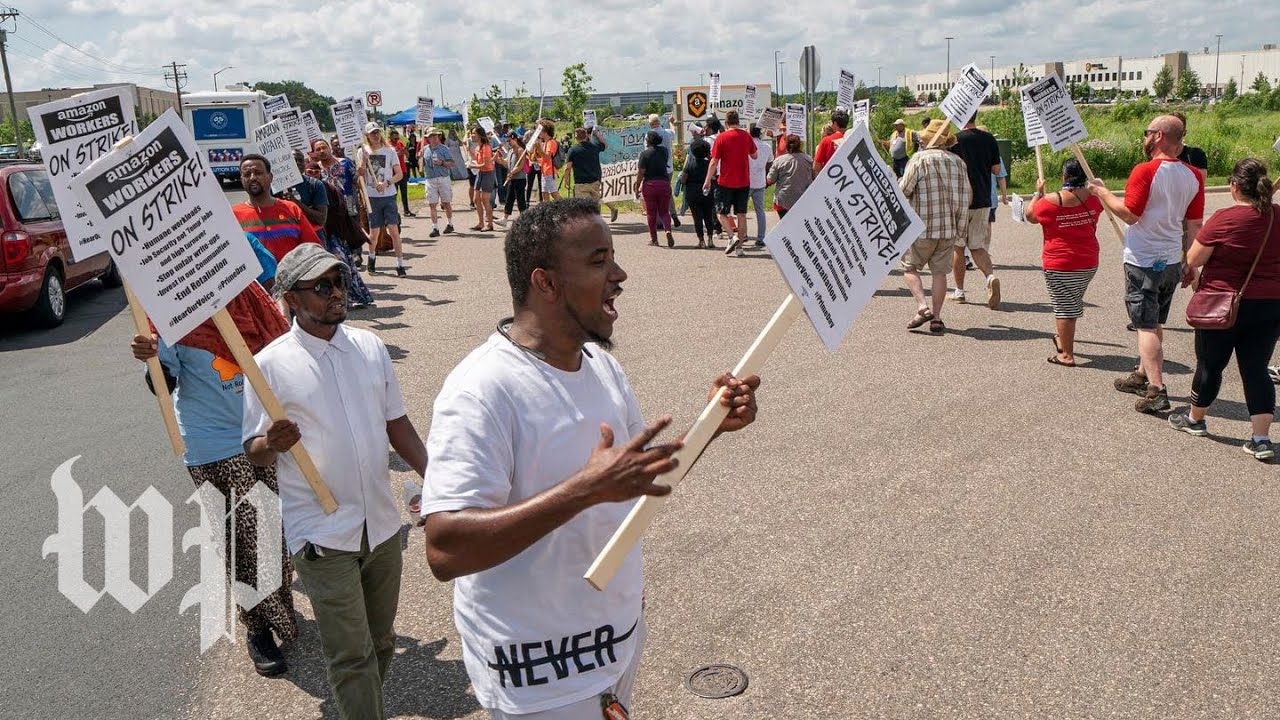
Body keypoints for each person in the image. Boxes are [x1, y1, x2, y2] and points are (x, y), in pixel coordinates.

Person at [420, 198, 761, 720]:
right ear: (547, 283)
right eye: (599, 261)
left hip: (616, 640)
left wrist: (711, 425)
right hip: (537, 673)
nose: (620, 274)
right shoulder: (481, 390)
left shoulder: (600, 364)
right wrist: (584, 490)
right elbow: (445, 550)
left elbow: (633, 476)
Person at [243, 245, 428, 719]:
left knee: (381, 640)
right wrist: (274, 443)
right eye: (321, 286)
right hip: (322, 531)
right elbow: (254, 452)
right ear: (289, 298)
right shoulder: (268, 366)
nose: (336, 294)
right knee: (351, 654)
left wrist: (439, 476)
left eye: (339, 281)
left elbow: (397, 424)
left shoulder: (369, 347)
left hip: (382, 525)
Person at [130, 248, 296, 678]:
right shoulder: (169, 311)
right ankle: (257, 629)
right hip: (212, 444)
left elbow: (284, 352)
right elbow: (163, 384)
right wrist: (150, 355)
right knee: (240, 540)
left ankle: (280, 611)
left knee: (275, 533)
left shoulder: (250, 300)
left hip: (263, 434)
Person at [1087, 115, 1206, 413]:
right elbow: (1194, 225)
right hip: (1169, 260)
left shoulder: (1146, 171)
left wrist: (1101, 192)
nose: (1144, 138)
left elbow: (1130, 214)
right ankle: (1142, 373)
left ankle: (1156, 388)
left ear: (1159, 137)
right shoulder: (1193, 176)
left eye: (1147, 133)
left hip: (1142, 259)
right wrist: (1191, 264)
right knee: (1155, 321)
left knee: (1145, 325)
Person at [1169, 158, 1280, 460]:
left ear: (1233, 185)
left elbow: (1194, 258)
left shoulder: (1225, 218)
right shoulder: (1277, 216)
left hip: (1222, 302)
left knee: (1210, 364)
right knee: (1256, 369)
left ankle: (1195, 418)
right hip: (1270, 303)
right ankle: (1260, 438)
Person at [1024, 158, 1102, 366]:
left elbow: (1030, 216)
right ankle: (1061, 338)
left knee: (1064, 308)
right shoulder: (1095, 198)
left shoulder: (1050, 201)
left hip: (1060, 262)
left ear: (1064, 176)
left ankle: (1066, 354)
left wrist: (1037, 193)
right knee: (1071, 301)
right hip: (1088, 261)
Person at [898, 119, 970, 335]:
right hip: (948, 227)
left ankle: (922, 306)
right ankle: (937, 318)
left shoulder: (919, 160)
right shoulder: (958, 162)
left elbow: (904, 191)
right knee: (940, 273)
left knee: (909, 267)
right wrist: (961, 231)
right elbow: (966, 196)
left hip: (921, 226)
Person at [947, 115, 1004, 309]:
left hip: (961, 200)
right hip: (983, 198)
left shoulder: (954, 140)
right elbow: (997, 169)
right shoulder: (989, 138)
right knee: (978, 247)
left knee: (958, 247)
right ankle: (990, 277)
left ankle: (960, 291)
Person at [304, 158, 375, 309]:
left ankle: (348, 299)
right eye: (309, 172)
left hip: (332, 235)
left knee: (341, 266)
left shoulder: (328, 188)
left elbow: (338, 211)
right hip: (314, 236)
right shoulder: (303, 189)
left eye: (316, 172)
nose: (313, 175)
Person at [233, 154, 322, 262]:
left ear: (270, 177)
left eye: (258, 173)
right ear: (241, 179)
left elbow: (314, 250)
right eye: (247, 174)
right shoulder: (233, 215)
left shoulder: (291, 209)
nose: (253, 178)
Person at [357, 123, 407, 276]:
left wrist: (386, 183)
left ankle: (400, 264)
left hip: (389, 196)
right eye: (372, 133)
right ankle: (371, 258)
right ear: (367, 135)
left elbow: (399, 174)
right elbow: (360, 175)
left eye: (377, 132)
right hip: (372, 197)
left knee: (393, 230)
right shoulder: (362, 151)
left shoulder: (390, 151)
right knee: (374, 232)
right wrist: (363, 163)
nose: (376, 135)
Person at [704, 110, 757, 257]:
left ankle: (731, 236)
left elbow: (714, 161)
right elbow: (754, 155)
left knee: (721, 212)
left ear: (726, 123)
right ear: (738, 121)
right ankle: (739, 247)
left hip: (725, 181)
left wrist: (708, 180)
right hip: (743, 181)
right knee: (741, 214)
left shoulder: (722, 137)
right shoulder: (746, 136)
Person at [565, 125, 619, 222]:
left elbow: (567, 168)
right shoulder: (594, 146)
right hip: (595, 180)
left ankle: (586, 227)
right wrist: (597, 134)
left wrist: (566, 180)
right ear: (586, 136)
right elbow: (605, 145)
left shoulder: (572, 150)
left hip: (581, 183)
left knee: (582, 207)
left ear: (575, 138)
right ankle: (598, 223)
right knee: (595, 205)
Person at [634, 130, 674, 247]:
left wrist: (636, 187)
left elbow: (641, 172)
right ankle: (668, 230)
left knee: (651, 213)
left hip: (650, 185)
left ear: (648, 141)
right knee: (664, 212)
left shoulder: (644, 154)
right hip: (664, 183)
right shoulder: (664, 151)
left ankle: (654, 239)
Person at [679, 133, 716, 248]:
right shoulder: (709, 164)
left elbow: (683, 179)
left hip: (693, 193)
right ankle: (710, 238)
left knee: (697, 217)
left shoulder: (690, 164)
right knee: (708, 216)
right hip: (707, 191)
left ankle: (701, 241)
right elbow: (713, 175)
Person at [420, 127, 456, 237]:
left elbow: (452, 163)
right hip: (430, 179)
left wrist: (442, 163)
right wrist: (420, 159)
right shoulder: (424, 149)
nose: (434, 138)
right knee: (432, 204)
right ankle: (435, 227)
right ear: (428, 138)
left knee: (446, 203)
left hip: (443, 178)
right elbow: (421, 165)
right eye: (431, 136)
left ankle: (450, 224)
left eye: (435, 135)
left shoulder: (444, 149)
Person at [647, 113, 679, 228]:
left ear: (650, 124)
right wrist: (671, 122)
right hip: (669, 168)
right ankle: (673, 213)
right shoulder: (667, 133)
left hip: (655, 169)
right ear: (659, 122)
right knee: (667, 192)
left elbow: (647, 152)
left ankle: (660, 220)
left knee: (656, 195)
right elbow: (674, 132)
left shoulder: (650, 135)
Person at [747, 124, 774, 248]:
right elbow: (770, 164)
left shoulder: (746, 145)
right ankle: (761, 237)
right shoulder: (767, 147)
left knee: (742, 211)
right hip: (760, 181)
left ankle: (744, 235)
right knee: (760, 210)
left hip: (746, 181)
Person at [467, 125, 498, 232]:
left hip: (488, 173)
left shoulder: (486, 147)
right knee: (476, 199)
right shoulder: (477, 147)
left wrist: (472, 166)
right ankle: (481, 223)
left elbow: (485, 164)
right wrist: (468, 151)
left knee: (485, 199)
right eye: (472, 133)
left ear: (480, 135)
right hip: (481, 173)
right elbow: (476, 158)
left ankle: (490, 224)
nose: (472, 135)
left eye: (474, 133)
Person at [496, 133, 529, 223]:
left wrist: (512, 172)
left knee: (520, 200)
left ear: (514, 139)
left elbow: (521, 166)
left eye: (509, 140)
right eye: (507, 141)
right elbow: (507, 163)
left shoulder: (520, 150)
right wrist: (500, 158)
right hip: (512, 179)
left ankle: (525, 219)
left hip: (520, 179)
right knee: (509, 199)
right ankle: (505, 218)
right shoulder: (510, 151)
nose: (508, 142)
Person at [531, 119, 562, 202]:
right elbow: (542, 158)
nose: (538, 133)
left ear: (545, 131)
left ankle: (565, 209)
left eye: (540, 130)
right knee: (545, 194)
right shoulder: (545, 143)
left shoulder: (551, 142)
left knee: (554, 193)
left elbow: (547, 157)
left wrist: (539, 149)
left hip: (549, 171)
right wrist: (536, 153)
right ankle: (547, 212)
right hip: (544, 171)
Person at [812, 107, 849, 176]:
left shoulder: (826, 140)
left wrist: (826, 177)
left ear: (835, 123)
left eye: (831, 122)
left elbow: (816, 166)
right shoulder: (853, 137)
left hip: (832, 179)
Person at [388, 129, 415, 218]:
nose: (396, 140)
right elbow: (391, 157)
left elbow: (406, 155)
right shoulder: (388, 145)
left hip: (402, 170)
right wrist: (400, 153)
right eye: (395, 138)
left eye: (397, 138)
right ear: (391, 137)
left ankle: (406, 210)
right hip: (393, 173)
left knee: (404, 192)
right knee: (394, 193)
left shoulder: (400, 143)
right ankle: (394, 212)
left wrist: (406, 151)